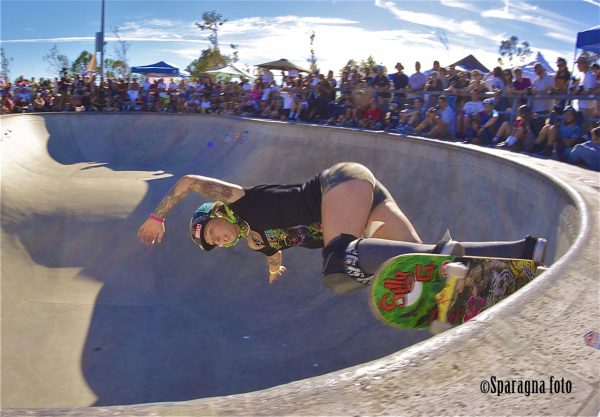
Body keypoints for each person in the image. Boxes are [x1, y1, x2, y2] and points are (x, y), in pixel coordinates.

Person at [137, 162, 546, 294]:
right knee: (420, 271)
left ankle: (447, 255)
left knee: (339, 267)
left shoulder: (240, 200)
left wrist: (159, 215)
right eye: (216, 245)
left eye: (213, 234)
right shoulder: (258, 241)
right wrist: (272, 267)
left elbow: (189, 182)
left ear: (217, 215)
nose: (221, 241)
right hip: (368, 205)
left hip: (340, 183)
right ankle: (522, 254)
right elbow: (273, 251)